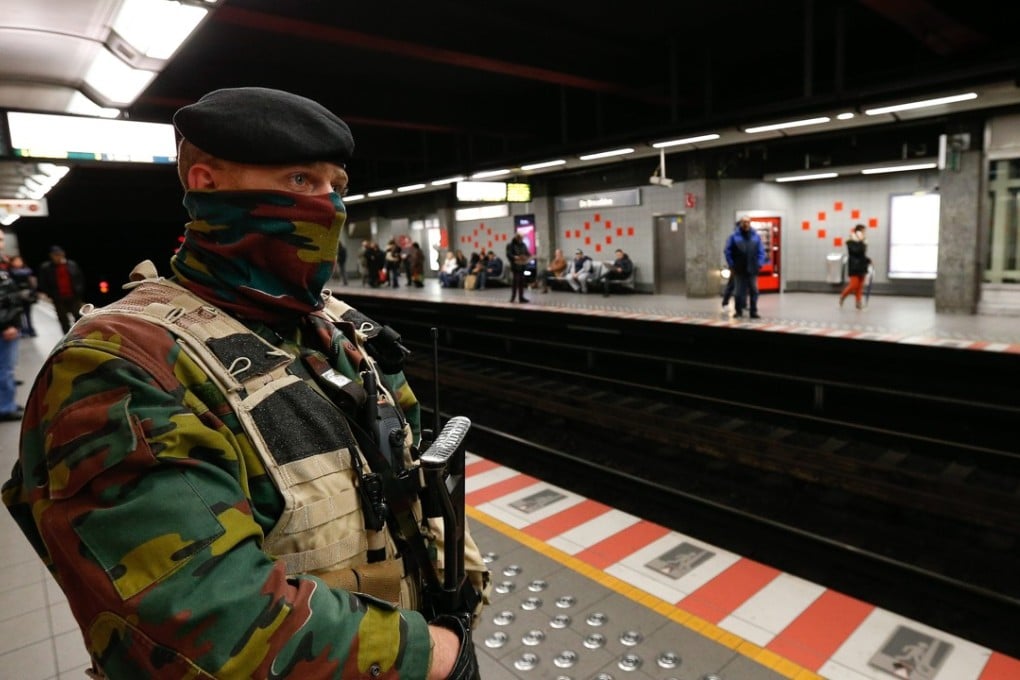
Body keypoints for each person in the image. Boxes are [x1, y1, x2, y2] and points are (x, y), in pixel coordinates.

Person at [2, 86, 488, 680]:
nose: (329, 206)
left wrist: (454, 580)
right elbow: (199, 620)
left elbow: (407, 463)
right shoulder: (118, 365)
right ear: (206, 184)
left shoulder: (336, 327)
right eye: (301, 182)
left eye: (336, 185)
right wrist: (431, 656)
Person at [36, 244, 85, 333]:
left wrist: (79, 291)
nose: (57, 257)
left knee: (79, 316)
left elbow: (79, 278)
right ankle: (67, 337)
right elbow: (43, 283)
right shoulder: (46, 268)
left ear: (63, 254)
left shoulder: (71, 265)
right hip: (58, 298)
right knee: (63, 319)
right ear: (51, 256)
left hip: (73, 296)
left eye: (59, 254)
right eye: (55, 255)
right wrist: (50, 294)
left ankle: (81, 334)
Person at [724, 216, 766, 319]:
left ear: (750, 223)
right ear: (741, 223)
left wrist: (759, 264)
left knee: (754, 291)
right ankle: (738, 311)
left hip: (752, 269)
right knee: (738, 292)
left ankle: (753, 312)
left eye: (747, 222)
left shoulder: (756, 237)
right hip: (738, 269)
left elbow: (761, 252)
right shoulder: (734, 237)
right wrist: (731, 265)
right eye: (743, 222)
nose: (746, 224)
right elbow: (727, 251)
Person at [0, 232, 22, 421]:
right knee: (4, 368)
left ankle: (8, 401)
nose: (2, 243)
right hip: (5, 327)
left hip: (9, 322)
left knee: (7, 367)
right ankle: (5, 407)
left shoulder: (3, 263)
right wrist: (6, 325)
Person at [839, 223, 870, 310]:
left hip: (862, 266)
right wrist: (861, 241)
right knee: (853, 285)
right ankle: (842, 296)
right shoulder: (850, 241)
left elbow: (862, 254)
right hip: (854, 266)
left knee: (860, 286)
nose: (864, 233)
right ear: (858, 231)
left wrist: (868, 260)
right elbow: (856, 251)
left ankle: (858, 303)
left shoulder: (863, 241)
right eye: (863, 231)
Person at [8, 255, 38, 337]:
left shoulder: (27, 271)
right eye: (16, 261)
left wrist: (32, 292)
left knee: (28, 314)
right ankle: (23, 330)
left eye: (19, 261)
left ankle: (30, 329)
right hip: (17, 296)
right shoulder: (10, 272)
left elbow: (32, 283)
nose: (18, 263)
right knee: (20, 314)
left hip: (27, 295)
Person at [506, 232, 531, 302]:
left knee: (521, 282)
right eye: (521, 238)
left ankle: (521, 297)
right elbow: (508, 254)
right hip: (515, 266)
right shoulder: (510, 245)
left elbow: (527, 253)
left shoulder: (523, 244)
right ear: (517, 237)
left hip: (522, 265)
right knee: (515, 282)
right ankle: (513, 297)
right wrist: (515, 257)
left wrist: (527, 256)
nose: (522, 239)